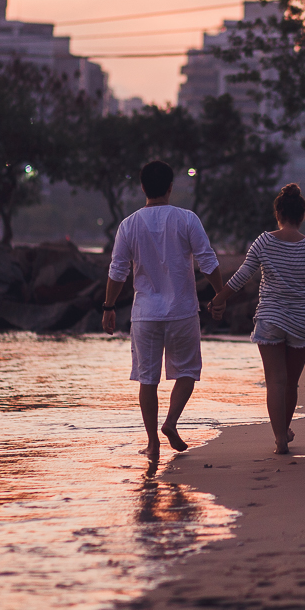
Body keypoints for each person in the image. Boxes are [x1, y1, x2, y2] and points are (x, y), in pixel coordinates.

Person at [102, 161, 225, 460]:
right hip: (182, 310)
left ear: (143, 187)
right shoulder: (187, 219)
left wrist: (108, 307)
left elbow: (118, 271)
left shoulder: (128, 224)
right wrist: (221, 295)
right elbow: (207, 261)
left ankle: (152, 443)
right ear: (171, 187)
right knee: (187, 372)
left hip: (144, 314)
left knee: (148, 379)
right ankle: (170, 422)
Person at [211, 184, 305, 455]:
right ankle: (285, 429)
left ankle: (280, 438)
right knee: (291, 383)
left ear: (278, 213)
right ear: (302, 215)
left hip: (271, 317)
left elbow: (242, 275)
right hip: (301, 319)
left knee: (275, 381)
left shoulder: (263, 241)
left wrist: (220, 297)